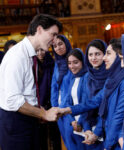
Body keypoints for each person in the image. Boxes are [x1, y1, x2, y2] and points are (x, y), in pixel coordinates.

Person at [0, 14, 62, 150]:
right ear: (39, 29)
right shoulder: (17, 56)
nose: (54, 40)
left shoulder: (30, 55)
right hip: (16, 123)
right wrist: (44, 114)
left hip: (29, 118)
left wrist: (39, 112)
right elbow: (13, 100)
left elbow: (29, 92)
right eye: (53, 34)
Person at [60, 39, 124, 150]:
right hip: (93, 131)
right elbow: (91, 102)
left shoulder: (122, 80)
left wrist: (104, 141)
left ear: (120, 56)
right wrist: (86, 128)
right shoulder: (104, 79)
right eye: (90, 54)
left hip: (112, 137)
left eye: (101, 54)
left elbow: (116, 115)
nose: (98, 58)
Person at [78, 39, 108, 150]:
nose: (93, 58)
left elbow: (107, 109)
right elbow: (85, 104)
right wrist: (87, 129)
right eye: (90, 54)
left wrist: (96, 133)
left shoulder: (111, 76)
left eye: (97, 54)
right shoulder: (87, 77)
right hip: (90, 132)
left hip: (106, 131)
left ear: (105, 55)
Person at [36, 48, 61, 150]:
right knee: (41, 136)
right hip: (38, 105)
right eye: (37, 51)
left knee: (54, 135)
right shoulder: (33, 65)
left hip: (52, 103)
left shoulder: (52, 64)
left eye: (42, 50)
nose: (40, 53)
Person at [62, 48, 87, 150]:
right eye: (69, 63)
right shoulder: (72, 78)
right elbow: (68, 102)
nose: (72, 66)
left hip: (86, 124)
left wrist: (80, 122)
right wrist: (72, 121)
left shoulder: (88, 77)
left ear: (82, 62)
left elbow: (87, 103)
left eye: (75, 62)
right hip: (74, 125)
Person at [51, 34, 72, 149]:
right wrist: (55, 107)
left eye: (60, 44)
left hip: (71, 109)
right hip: (59, 111)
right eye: (55, 46)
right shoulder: (57, 64)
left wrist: (63, 107)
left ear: (66, 43)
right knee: (67, 142)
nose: (58, 48)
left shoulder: (75, 59)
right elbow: (53, 87)